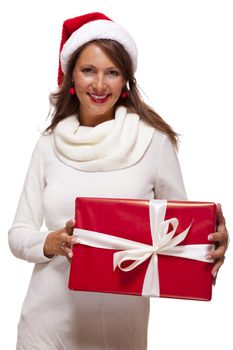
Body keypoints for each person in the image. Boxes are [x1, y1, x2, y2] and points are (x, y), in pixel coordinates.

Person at [8, 12, 228, 350]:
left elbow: (181, 234)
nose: (99, 85)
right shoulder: (48, 145)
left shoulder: (152, 143)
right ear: (71, 77)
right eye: (88, 71)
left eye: (112, 72)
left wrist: (213, 240)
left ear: (125, 81)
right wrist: (50, 243)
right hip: (45, 332)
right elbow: (17, 234)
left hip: (119, 336)